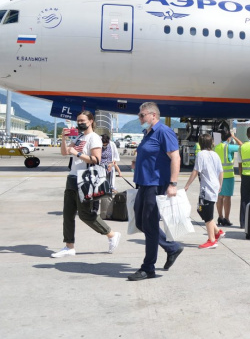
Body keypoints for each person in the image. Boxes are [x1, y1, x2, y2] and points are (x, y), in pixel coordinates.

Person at [52, 111, 121, 258]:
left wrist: (77, 154)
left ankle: (111, 234)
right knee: (68, 214)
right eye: (78, 121)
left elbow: (96, 159)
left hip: (84, 179)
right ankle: (69, 246)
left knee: (86, 214)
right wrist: (64, 139)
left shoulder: (94, 138)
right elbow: (65, 153)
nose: (79, 123)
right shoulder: (79, 137)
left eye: (82, 120)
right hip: (72, 177)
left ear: (90, 121)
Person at [128, 102, 184, 281]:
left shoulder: (163, 131)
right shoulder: (148, 132)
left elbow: (175, 157)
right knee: (141, 222)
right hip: (144, 183)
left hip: (156, 184)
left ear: (153, 115)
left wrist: (173, 184)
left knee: (150, 224)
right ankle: (172, 247)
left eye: (142, 115)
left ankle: (148, 268)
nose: (140, 118)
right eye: (139, 115)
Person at [184, 133, 225, 248]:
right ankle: (217, 231)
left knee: (207, 214)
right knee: (201, 209)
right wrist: (220, 184)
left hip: (206, 188)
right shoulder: (215, 154)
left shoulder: (201, 154)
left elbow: (195, 171)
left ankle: (211, 239)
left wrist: (187, 185)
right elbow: (221, 171)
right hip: (214, 186)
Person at [215, 130, 243, 227]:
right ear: (228, 138)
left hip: (217, 176)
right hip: (228, 176)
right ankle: (226, 218)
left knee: (219, 197)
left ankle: (220, 217)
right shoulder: (229, 147)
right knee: (227, 198)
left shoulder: (216, 147)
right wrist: (234, 137)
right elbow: (242, 146)